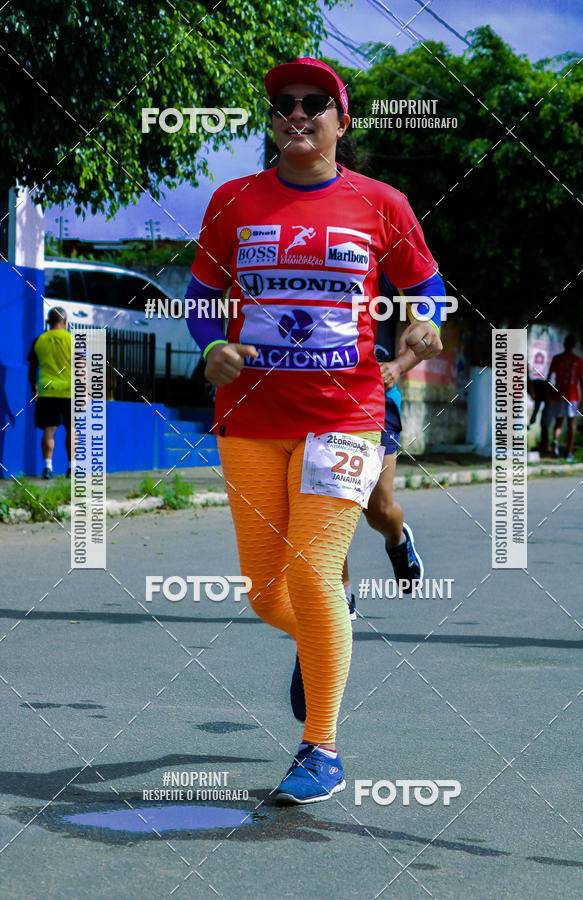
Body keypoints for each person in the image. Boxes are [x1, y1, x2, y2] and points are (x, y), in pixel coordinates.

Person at [185, 57, 443, 804]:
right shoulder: (233, 201)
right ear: (273, 120)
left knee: (311, 569)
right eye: (283, 104)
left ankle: (320, 747)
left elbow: (428, 290)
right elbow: (201, 297)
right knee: (266, 593)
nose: (297, 114)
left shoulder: (381, 203)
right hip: (251, 419)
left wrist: (424, 325)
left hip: (346, 416)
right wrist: (209, 346)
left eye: (315, 103)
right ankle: (326, 629)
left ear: (341, 119)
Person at [343, 273, 438, 618]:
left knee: (376, 508)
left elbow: (428, 338)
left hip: (376, 399)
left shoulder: (390, 269)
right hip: (318, 398)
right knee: (328, 504)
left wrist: (398, 367)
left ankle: (398, 540)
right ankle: (342, 599)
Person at [28, 307, 74, 478]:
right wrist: (84, 392)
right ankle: (72, 468)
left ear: (49, 322)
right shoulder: (73, 340)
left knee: (49, 430)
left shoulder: (40, 340)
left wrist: (34, 387)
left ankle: (48, 467)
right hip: (69, 391)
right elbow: (82, 368)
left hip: (47, 392)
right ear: (65, 322)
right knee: (72, 428)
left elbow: (33, 368)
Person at [542, 335, 583, 462]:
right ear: (574, 345)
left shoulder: (557, 358)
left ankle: (555, 442)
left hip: (558, 395)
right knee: (571, 423)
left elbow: (549, 377)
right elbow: (582, 381)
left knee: (558, 423)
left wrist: (548, 395)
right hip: (572, 396)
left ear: (564, 343)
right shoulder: (578, 360)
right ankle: (569, 452)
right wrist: (582, 399)